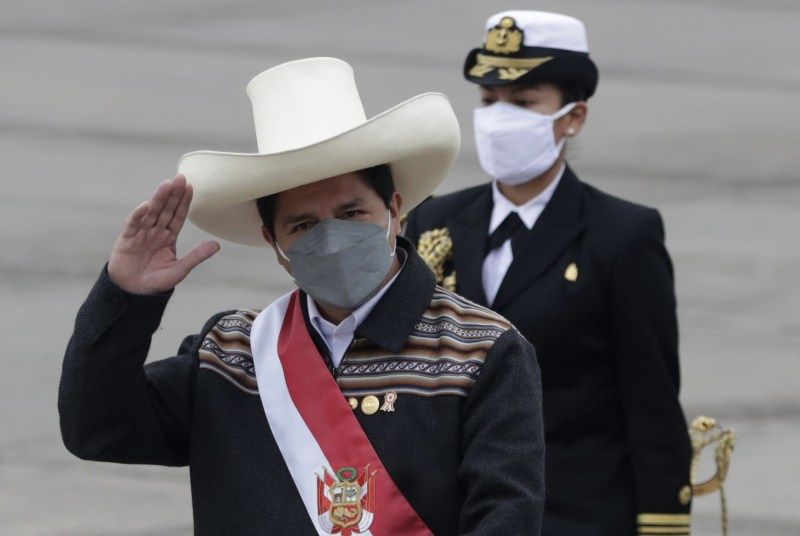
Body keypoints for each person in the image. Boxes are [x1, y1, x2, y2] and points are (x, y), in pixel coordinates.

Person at [58, 57, 546, 535]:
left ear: (395, 210)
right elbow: (97, 428)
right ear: (273, 242)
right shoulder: (232, 350)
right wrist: (126, 298)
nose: (331, 239)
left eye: (351, 214)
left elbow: (506, 515)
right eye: (304, 225)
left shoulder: (479, 349)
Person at [404, 11, 693, 536]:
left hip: (575, 513)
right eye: (489, 100)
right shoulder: (434, 221)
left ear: (573, 117)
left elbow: (650, 400)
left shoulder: (621, 235)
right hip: (455, 510)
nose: (499, 117)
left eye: (522, 102)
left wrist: (662, 522)